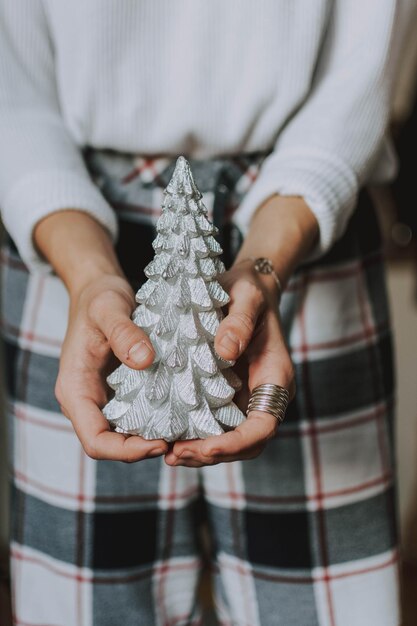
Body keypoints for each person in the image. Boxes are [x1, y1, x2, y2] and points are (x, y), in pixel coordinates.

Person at [0, 1, 401, 625]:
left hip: (300, 227)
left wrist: (265, 269)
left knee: (320, 603)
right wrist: (89, 279)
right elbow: (12, 95)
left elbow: (358, 78)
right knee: (86, 606)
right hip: (71, 235)